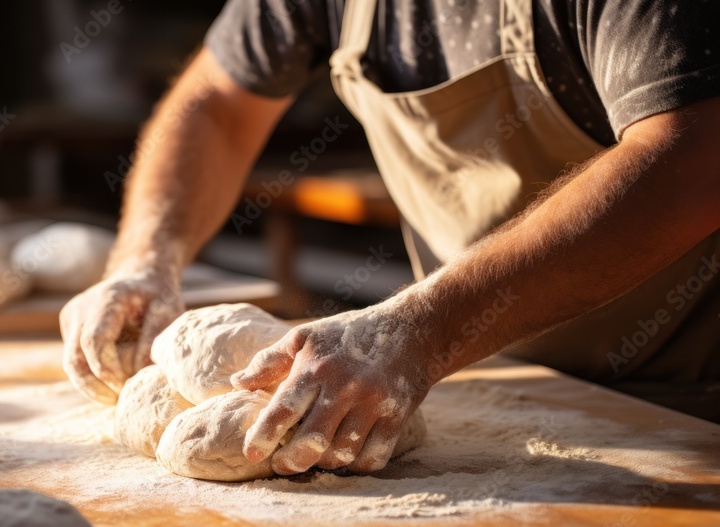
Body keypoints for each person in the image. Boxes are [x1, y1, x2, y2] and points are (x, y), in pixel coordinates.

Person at [60, 0, 720, 476]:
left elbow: (695, 160)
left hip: (685, 400)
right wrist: (145, 257)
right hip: (489, 380)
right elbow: (216, 103)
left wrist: (422, 331)